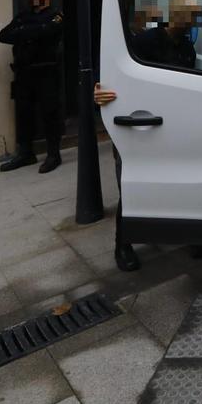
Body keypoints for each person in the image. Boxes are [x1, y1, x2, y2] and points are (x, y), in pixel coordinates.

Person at [0, 0, 65, 173]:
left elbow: (48, 31)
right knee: (24, 113)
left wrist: (24, 32)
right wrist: (33, 31)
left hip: (46, 71)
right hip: (24, 72)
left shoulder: (56, 15)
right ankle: (26, 153)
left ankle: (54, 154)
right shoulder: (24, 15)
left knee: (50, 113)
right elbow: (3, 35)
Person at [92, 83, 139, 272]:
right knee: (128, 184)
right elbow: (104, 69)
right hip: (131, 114)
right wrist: (96, 90)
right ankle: (123, 244)